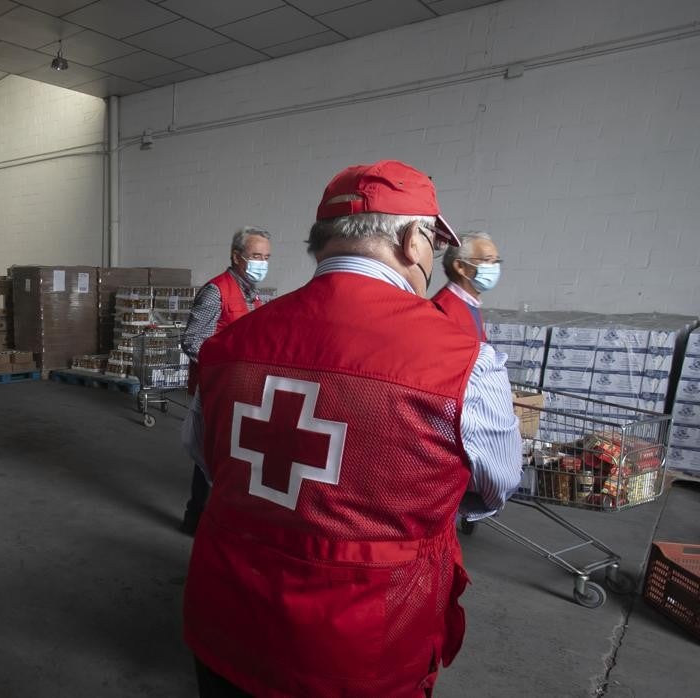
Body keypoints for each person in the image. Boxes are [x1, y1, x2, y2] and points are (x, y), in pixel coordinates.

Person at [184, 160, 521, 697]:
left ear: (322, 242)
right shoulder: (464, 363)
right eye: (434, 242)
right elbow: (493, 488)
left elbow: (205, 455)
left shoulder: (230, 344)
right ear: (414, 240)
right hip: (363, 647)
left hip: (229, 618)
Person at [179, 226, 272, 535]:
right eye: (256, 256)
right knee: (207, 454)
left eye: (267, 256)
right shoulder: (215, 292)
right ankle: (195, 518)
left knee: (228, 454)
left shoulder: (253, 295)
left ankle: (217, 514)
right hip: (214, 389)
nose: (263, 262)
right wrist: (226, 370)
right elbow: (192, 341)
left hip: (240, 389)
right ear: (236, 256)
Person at [433, 231, 500, 341]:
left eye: (496, 261)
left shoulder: (471, 304)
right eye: (487, 260)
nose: (494, 267)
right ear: (460, 266)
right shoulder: (442, 309)